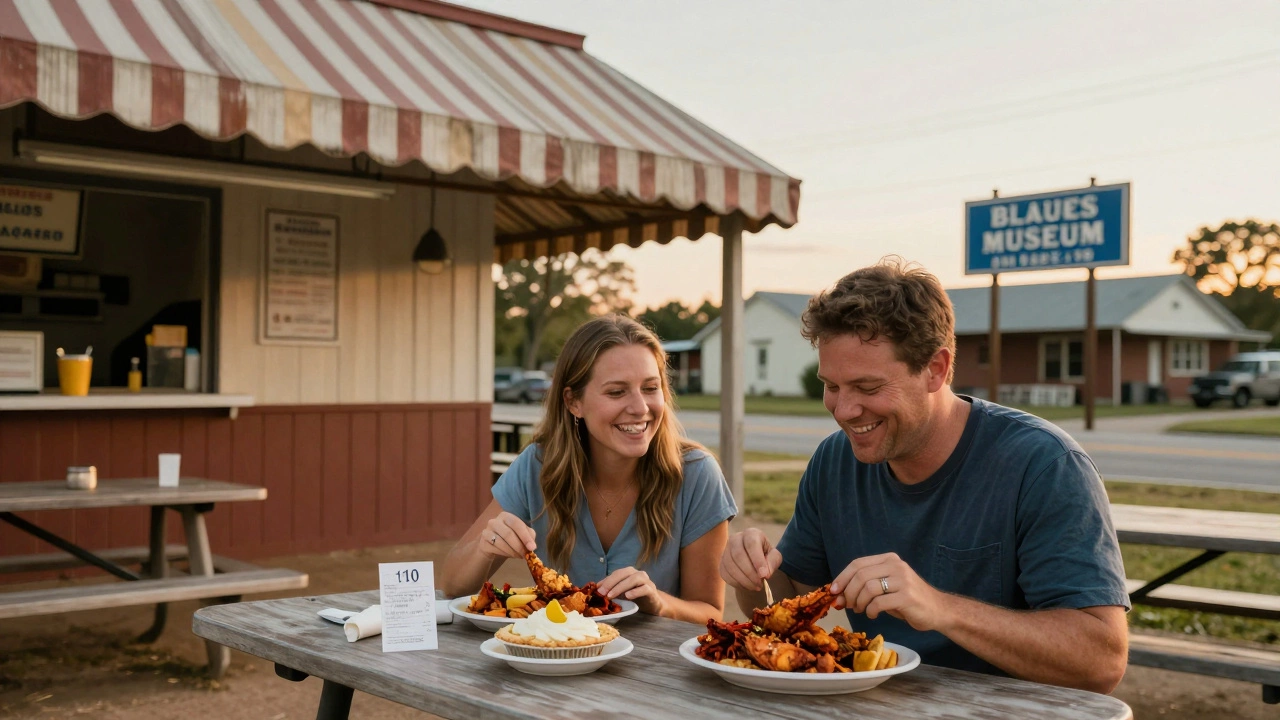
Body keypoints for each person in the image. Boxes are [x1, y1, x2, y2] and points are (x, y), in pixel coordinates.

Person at [719, 259, 1130, 693]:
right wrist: (754, 576)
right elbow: (783, 605)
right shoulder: (835, 461)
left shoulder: (1044, 464)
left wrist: (940, 608)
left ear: (935, 369)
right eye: (832, 386)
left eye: (868, 388)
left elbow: (1100, 661)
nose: (843, 411)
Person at [442, 315, 736, 624]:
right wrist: (487, 547)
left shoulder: (697, 475)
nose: (640, 407)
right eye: (616, 392)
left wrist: (659, 603)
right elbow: (453, 585)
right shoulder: (538, 466)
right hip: (559, 661)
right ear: (573, 402)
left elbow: (709, 612)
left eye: (650, 388)